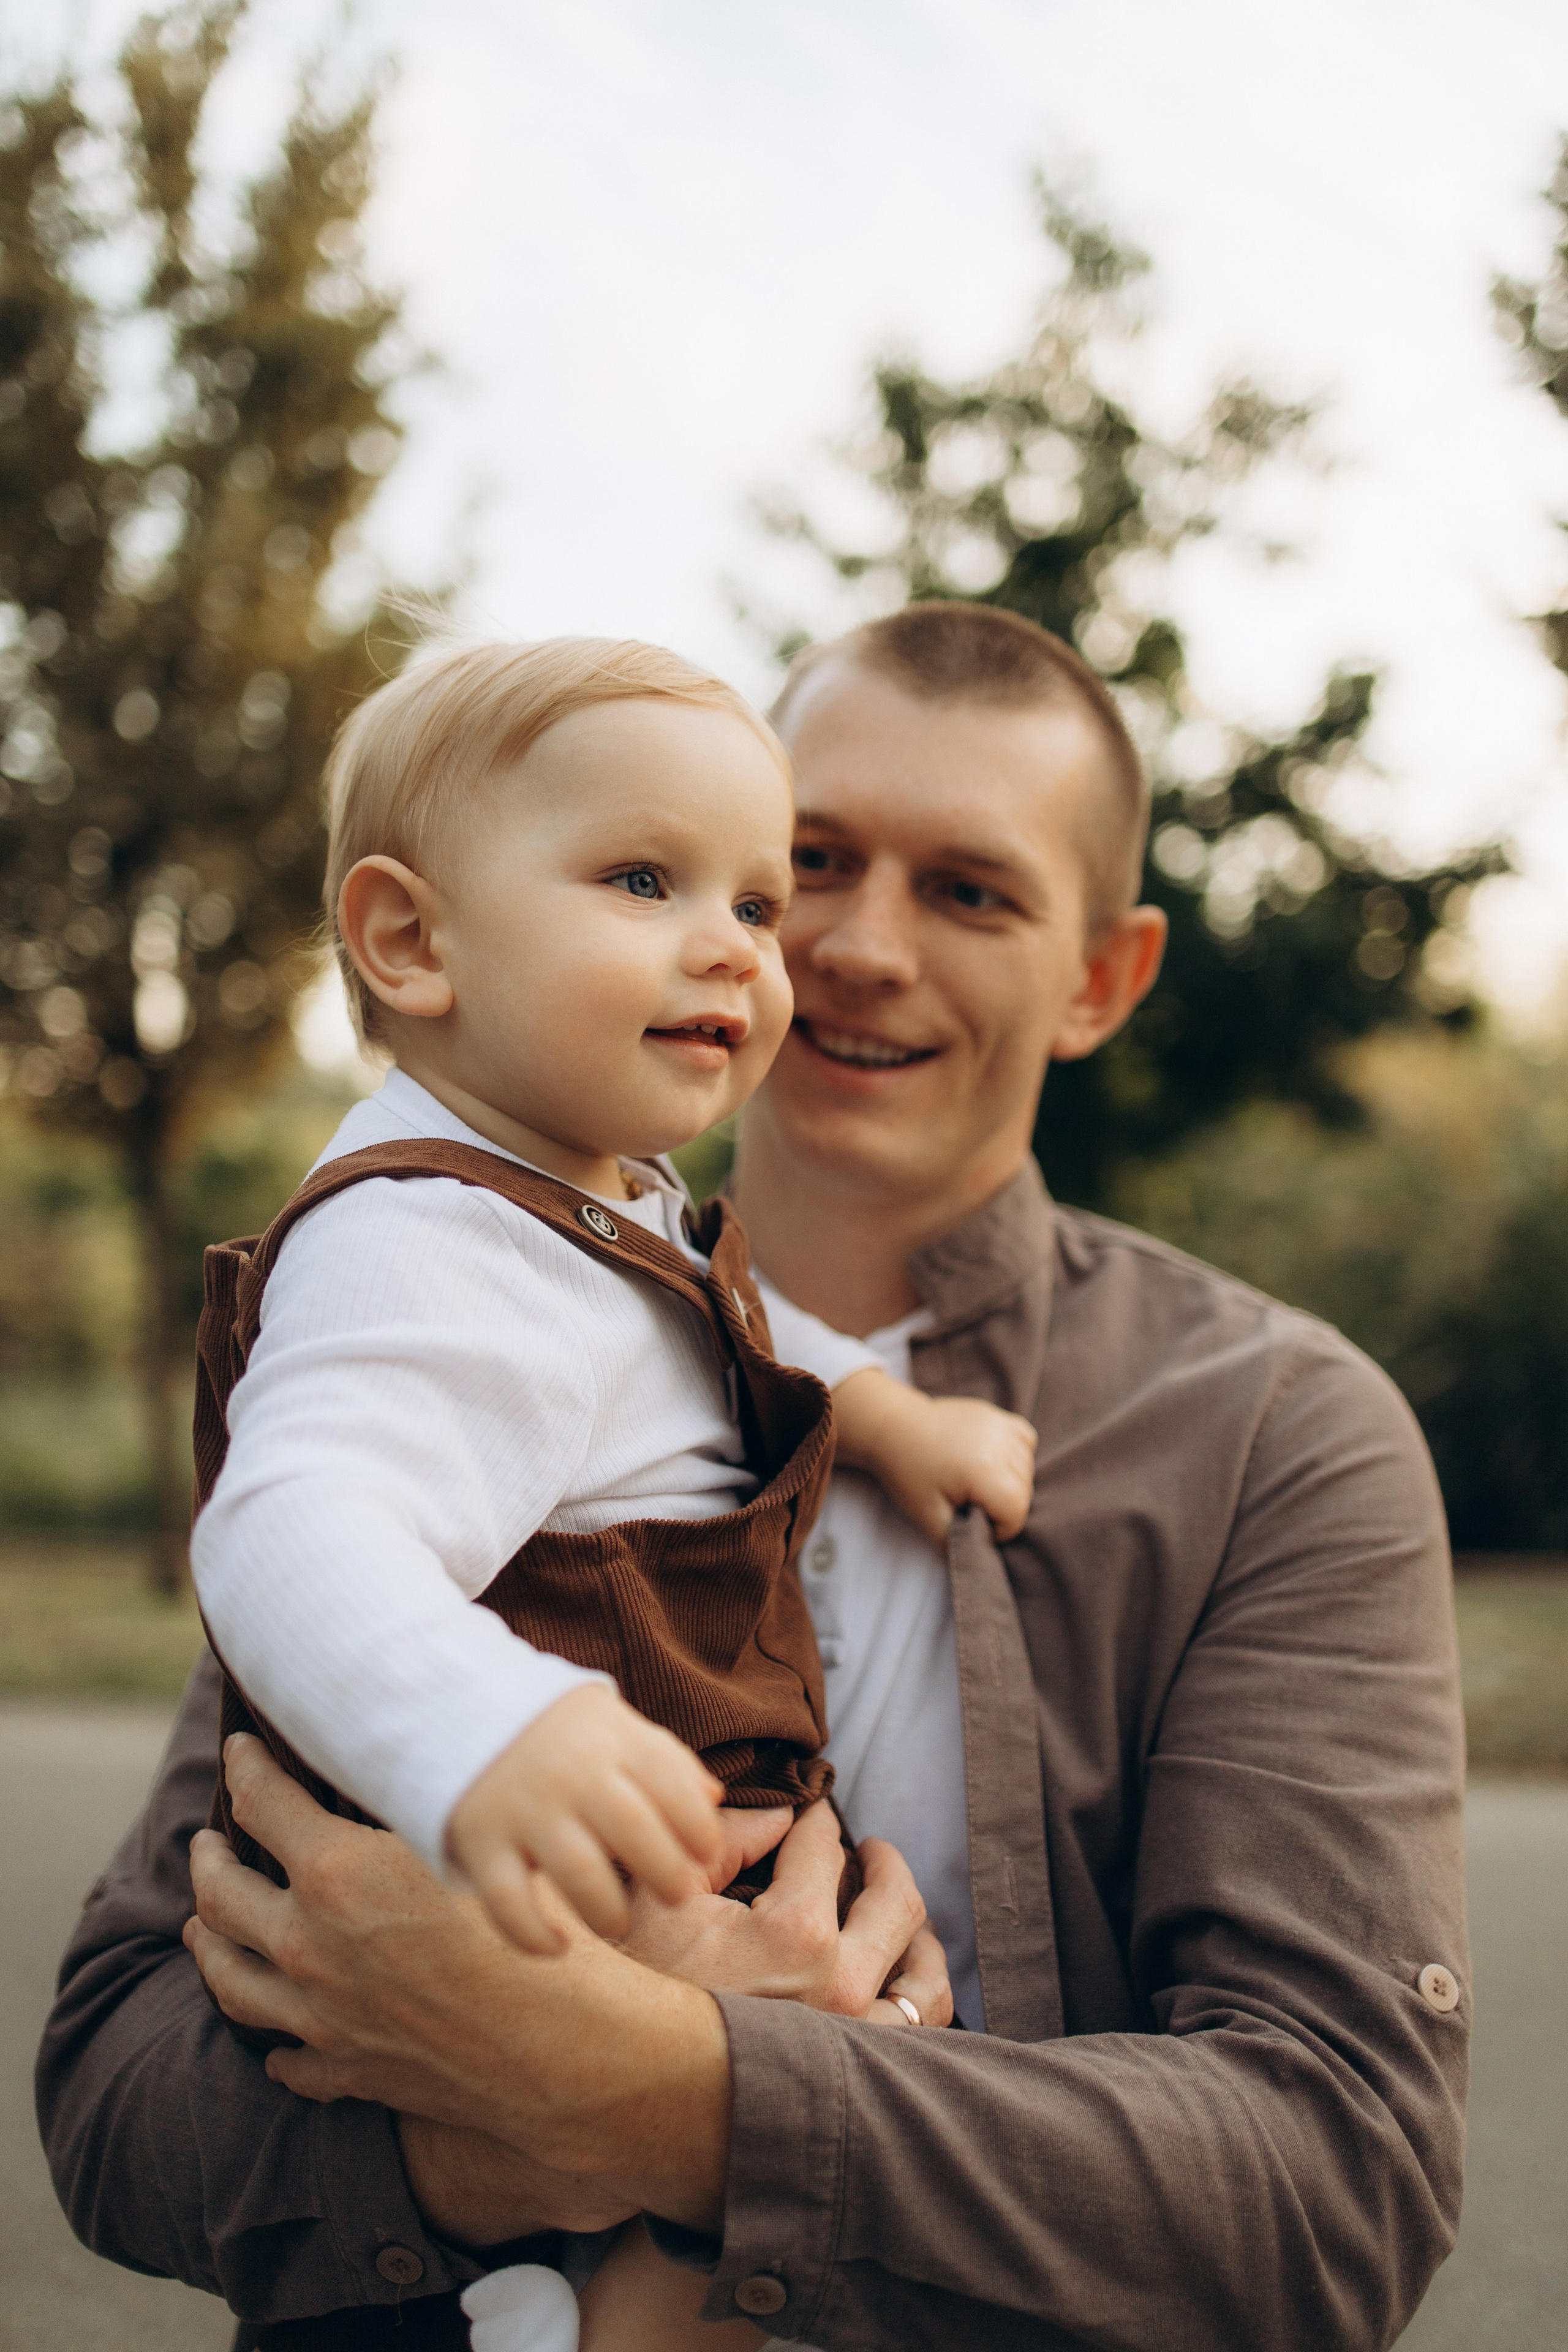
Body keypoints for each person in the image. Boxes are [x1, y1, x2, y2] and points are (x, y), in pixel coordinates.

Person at [37, 603, 1469, 2352]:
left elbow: (1332, 2197)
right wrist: (485, 2133)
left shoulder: (1271, 1434)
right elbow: (116, 2097)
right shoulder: (451, 1295)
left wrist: (664, 2086)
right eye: (810, 864)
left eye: (971, 891)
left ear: (1100, 976)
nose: (851, 950)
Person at [185, 632, 1035, 2350]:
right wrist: (484, 1729)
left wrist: (879, 1414)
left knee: (743, 2233)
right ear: (411, 941)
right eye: (644, 878)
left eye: (751, 900)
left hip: (671, 1890)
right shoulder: (421, 1243)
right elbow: (290, 1525)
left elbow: (724, 1324)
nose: (730, 942)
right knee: (689, 2253)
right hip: (534, 1893)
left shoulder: (587, 1199)